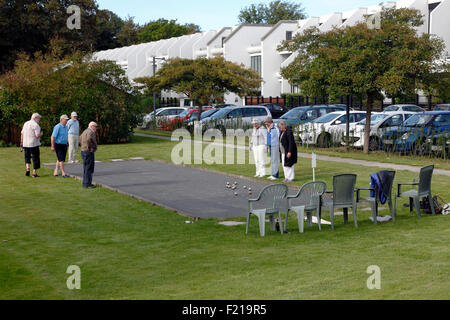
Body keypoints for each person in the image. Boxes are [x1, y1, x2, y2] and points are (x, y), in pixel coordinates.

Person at [21, 113, 44, 178]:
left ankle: (28, 168)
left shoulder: (26, 123)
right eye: (39, 118)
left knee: (27, 157)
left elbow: (22, 133)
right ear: (35, 118)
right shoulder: (36, 125)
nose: (39, 119)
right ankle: (34, 173)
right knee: (35, 158)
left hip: (25, 143)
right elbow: (37, 135)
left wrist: (21, 142)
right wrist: (41, 134)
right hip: (33, 144)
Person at [79, 122, 98, 189]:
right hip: (88, 151)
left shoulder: (85, 131)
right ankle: (88, 184)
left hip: (83, 150)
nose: (96, 128)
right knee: (89, 168)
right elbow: (89, 139)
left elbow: (80, 138)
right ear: (92, 126)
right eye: (95, 126)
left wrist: (83, 146)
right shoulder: (90, 132)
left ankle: (85, 183)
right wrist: (91, 147)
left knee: (86, 168)